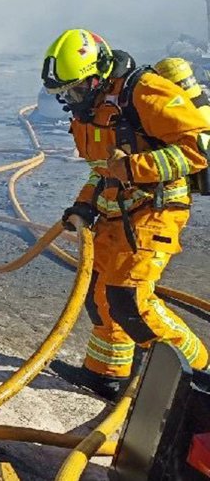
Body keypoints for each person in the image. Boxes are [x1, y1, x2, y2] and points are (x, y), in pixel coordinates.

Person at [42, 28, 209, 398]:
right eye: (63, 94)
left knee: (130, 300)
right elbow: (102, 168)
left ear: (97, 74)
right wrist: (85, 204)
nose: (71, 100)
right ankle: (108, 374)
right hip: (116, 212)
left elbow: (198, 149)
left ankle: (201, 375)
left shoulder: (144, 93)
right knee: (100, 293)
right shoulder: (93, 109)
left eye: (76, 90)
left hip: (156, 210)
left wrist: (135, 168)